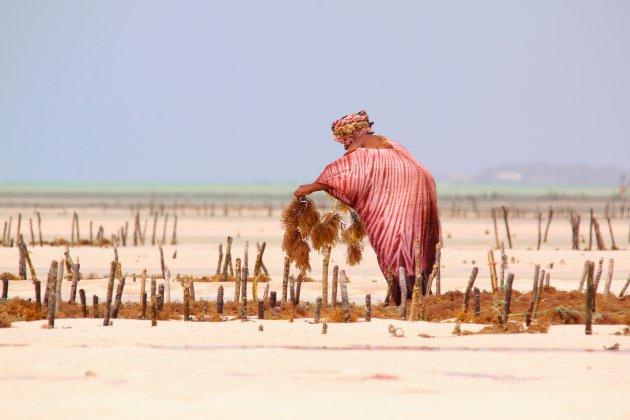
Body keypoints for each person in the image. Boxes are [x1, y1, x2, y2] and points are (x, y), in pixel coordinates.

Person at [293, 110, 440, 304]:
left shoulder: (360, 144)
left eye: (344, 140)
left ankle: (403, 297)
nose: (345, 145)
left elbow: (344, 170)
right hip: (421, 186)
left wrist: (312, 187)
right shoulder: (387, 142)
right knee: (415, 238)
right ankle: (418, 293)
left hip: (405, 188)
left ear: (351, 134)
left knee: (392, 239)